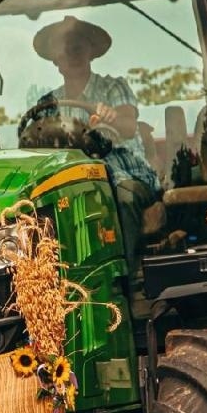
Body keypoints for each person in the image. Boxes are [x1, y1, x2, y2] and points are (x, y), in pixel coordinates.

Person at [32, 15, 159, 247]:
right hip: (74, 181)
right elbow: (37, 149)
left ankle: (128, 270)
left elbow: (129, 125)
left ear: (90, 52)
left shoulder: (113, 87)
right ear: (56, 60)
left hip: (125, 175)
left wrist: (112, 117)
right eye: (66, 50)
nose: (73, 55)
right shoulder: (48, 105)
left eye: (78, 48)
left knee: (123, 197)